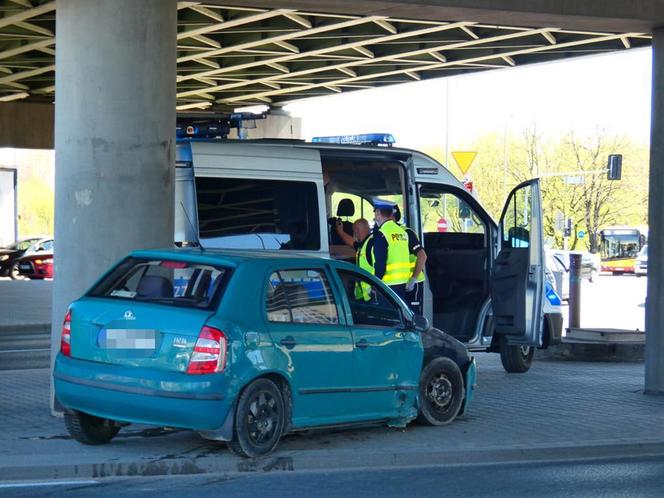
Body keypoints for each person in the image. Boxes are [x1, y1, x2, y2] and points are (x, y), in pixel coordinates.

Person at [371, 199, 411, 303]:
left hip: (387, 285)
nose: (375, 217)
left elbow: (380, 262)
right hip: (402, 283)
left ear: (378, 213)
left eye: (375, 213)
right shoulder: (402, 232)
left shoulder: (382, 233)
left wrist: (376, 283)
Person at [393, 206, 427, 315]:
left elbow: (422, 256)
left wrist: (413, 279)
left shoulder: (406, 233)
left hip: (413, 283)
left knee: (413, 316)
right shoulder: (387, 233)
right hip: (400, 283)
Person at [335, 218, 374, 300]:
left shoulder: (371, 245)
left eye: (353, 231)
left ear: (356, 231)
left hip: (371, 295)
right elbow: (352, 243)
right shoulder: (364, 244)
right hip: (364, 295)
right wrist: (341, 232)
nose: (353, 234)